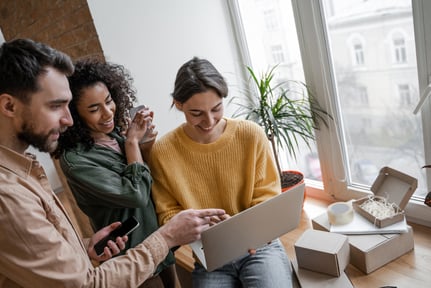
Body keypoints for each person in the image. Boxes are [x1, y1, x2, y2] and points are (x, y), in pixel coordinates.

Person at [0, 38, 225, 288]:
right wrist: (168, 235)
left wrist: (85, 246)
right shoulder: (9, 195)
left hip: (150, 252)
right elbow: (85, 284)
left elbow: (47, 254)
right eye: (55, 106)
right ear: (9, 105)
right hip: (134, 262)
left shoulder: (25, 168)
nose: (68, 120)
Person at [149, 57, 294, 288]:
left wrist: (240, 229)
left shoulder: (251, 135)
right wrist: (202, 227)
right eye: (196, 113)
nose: (209, 121)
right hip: (211, 256)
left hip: (259, 246)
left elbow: (268, 197)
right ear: (178, 104)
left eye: (216, 108)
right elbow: (167, 213)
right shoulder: (163, 151)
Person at [52, 58, 176, 287]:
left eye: (108, 101)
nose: (108, 113)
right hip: (133, 258)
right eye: (94, 109)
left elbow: (151, 180)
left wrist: (144, 144)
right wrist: (132, 143)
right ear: (75, 115)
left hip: (159, 241)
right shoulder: (77, 161)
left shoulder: (116, 135)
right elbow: (136, 195)